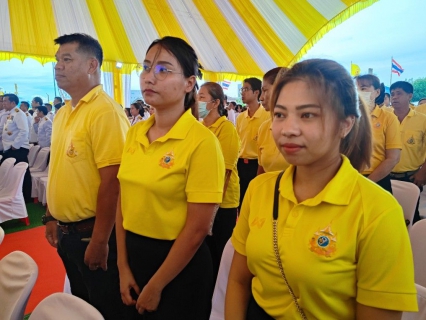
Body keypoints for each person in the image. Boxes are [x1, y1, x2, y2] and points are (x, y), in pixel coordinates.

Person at [225, 59, 418, 319]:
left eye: (308, 115)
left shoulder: (379, 212)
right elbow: (238, 281)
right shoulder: (260, 188)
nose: (288, 129)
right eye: (280, 114)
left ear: (345, 124)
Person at [116, 36, 225, 320]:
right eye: (147, 67)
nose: (150, 77)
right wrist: (122, 264)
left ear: (189, 83)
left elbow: (197, 228)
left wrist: (157, 284)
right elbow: (123, 201)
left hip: (178, 266)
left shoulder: (202, 141)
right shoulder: (135, 132)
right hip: (133, 254)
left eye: (163, 69)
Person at [43, 33, 130, 319]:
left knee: (104, 308)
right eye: (57, 60)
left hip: (91, 233)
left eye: (67, 59)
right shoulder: (64, 112)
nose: (58, 66)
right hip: (68, 232)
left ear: (92, 65)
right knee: (81, 305)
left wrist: (100, 240)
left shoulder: (104, 111)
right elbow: (58, 170)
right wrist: (51, 216)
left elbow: (113, 182)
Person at [198, 81, 240, 282]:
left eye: (202, 97)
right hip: (202, 197)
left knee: (220, 252)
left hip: (222, 203)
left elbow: (226, 171)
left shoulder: (226, 129)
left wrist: (213, 208)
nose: (197, 101)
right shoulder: (198, 127)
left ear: (215, 103)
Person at [356, 75, 401, 193]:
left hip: (377, 179)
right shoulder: (346, 117)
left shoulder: (388, 118)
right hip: (349, 176)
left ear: (377, 92)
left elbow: (393, 158)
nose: (358, 92)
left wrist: (367, 183)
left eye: (363, 88)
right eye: (354, 89)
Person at [390, 81, 426, 225]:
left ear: (410, 96)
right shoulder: (386, 118)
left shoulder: (422, 120)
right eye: (392, 94)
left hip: (411, 176)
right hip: (386, 176)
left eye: (399, 94)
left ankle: (412, 244)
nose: (394, 97)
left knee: (410, 215)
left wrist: (423, 173)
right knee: (388, 213)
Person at [236, 78, 270, 208]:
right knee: (242, 202)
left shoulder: (266, 116)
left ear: (257, 92)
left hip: (257, 165)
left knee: (257, 201)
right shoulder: (240, 117)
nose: (242, 93)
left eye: (246, 89)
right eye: (242, 89)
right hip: (241, 164)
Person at [257, 67, 290, 175]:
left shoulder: (299, 128)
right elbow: (261, 170)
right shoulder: (264, 128)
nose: (261, 97)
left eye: (265, 90)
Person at [1, 93, 31, 201]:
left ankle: (26, 196)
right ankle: (18, 194)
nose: (3, 103)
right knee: (15, 173)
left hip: (18, 148)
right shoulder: (10, 113)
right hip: (10, 147)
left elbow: (24, 131)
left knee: (21, 172)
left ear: (13, 102)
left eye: (5, 101)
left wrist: (15, 145)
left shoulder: (18, 114)